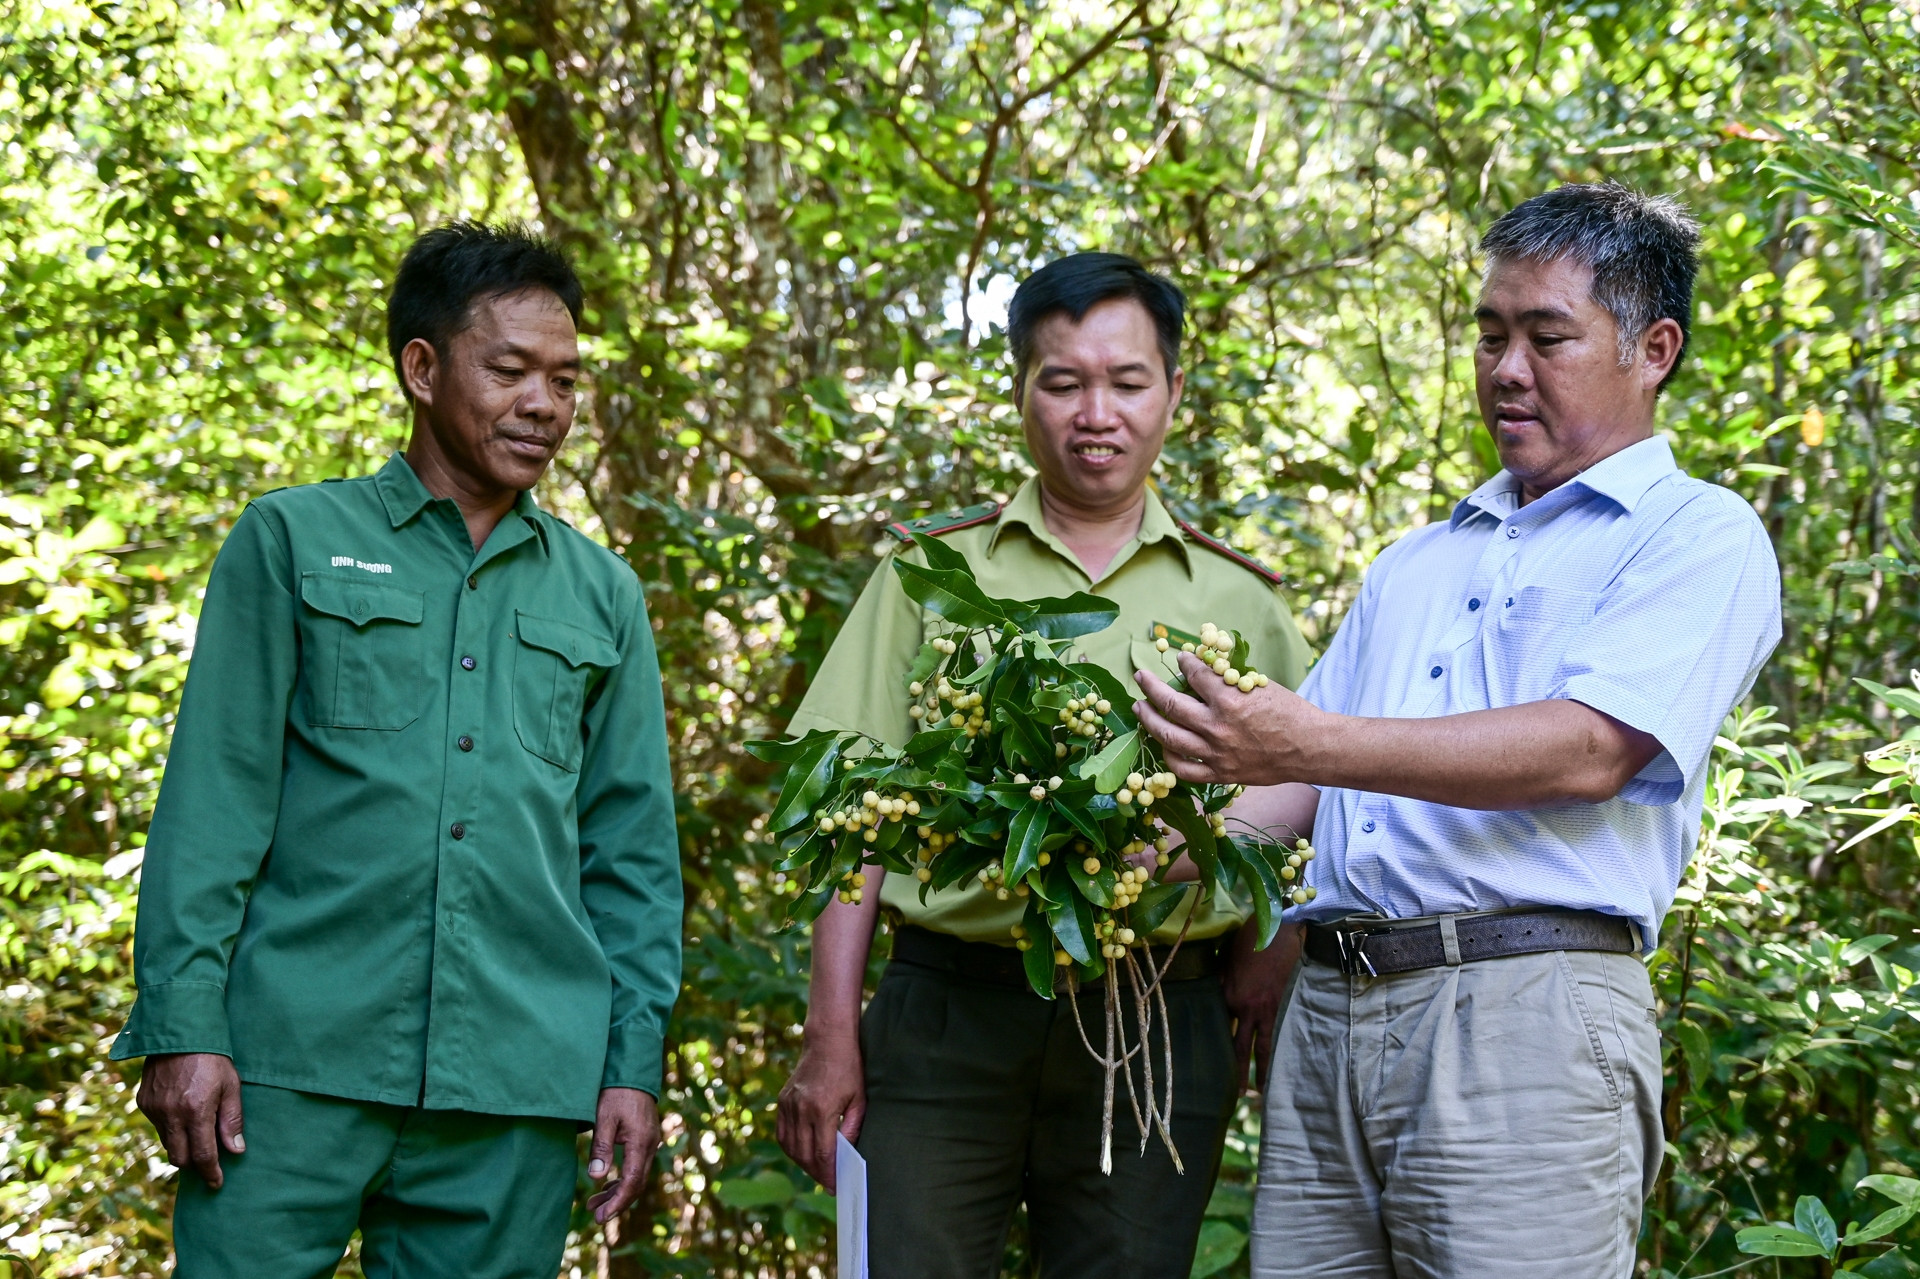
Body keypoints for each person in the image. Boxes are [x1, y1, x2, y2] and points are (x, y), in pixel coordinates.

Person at [1133, 183, 1783, 1277]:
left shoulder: (1698, 535)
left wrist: (1301, 743)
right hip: (1331, 1014)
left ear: (1654, 348)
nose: (1506, 369)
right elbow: (1291, 785)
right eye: (1489, 336)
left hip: (1525, 1019)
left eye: (1547, 337)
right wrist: (1144, 846)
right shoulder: (1419, 562)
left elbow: (1591, 750)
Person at [110, 222, 684, 1278]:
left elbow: (632, 852)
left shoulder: (603, 595)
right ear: (422, 368)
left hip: (515, 1083)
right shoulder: (289, 539)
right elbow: (214, 802)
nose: (544, 405)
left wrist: (629, 1065)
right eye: (510, 370)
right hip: (287, 1066)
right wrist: (183, 1025)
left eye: (564, 380)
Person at [774, 251, 1314, 1279]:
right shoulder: (934, 573)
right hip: (948, 1008)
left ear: (1174, 393)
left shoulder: (1244, 602)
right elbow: (852, 809)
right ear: (1022, 389)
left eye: (1126, 381)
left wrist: (1264, 938)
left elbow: (1306, 792)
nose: (1094, 413)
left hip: (1158, 1011)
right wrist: (831, 1029)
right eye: (1062, 382)